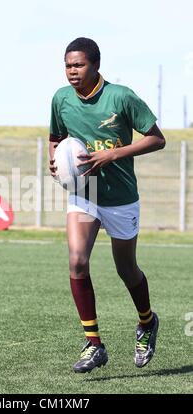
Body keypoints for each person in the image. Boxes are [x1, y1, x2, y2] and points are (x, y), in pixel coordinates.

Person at [49, 37, 166, 373]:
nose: (72, 71)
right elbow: (57, 137)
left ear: (95, 65)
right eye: (68, 65)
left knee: (125, 269)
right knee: (77, 261)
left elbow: (157, 138)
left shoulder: (121, 97)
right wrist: (54, 163)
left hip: (120, 198)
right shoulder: (61, 99)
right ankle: (94, 344)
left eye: (79, 65)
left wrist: (112, 153)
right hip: (85, 195)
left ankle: (146, 322)